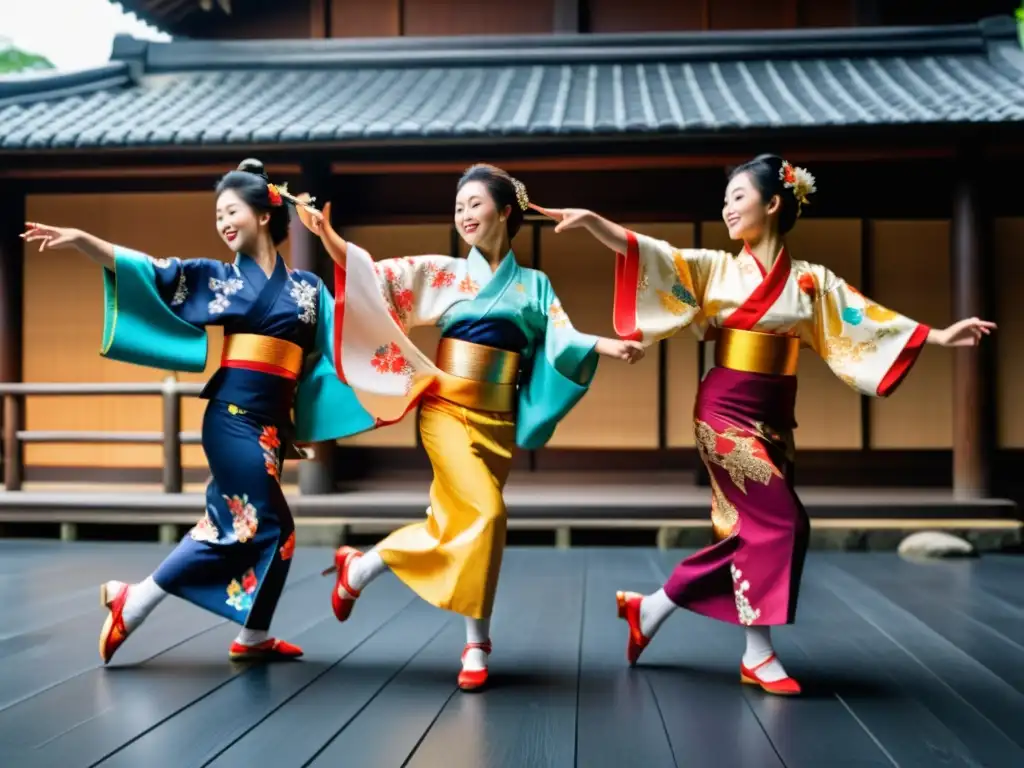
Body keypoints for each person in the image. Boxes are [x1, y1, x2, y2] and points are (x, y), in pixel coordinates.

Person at [535, 154, 995, 695]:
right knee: (785, 525)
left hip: (776, 413)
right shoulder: (717, 268)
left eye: (737, 197)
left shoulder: (810, 281)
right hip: (725, 408)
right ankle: (758, 654)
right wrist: (593, 222)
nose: (726, 208)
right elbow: (652, 254)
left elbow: (865, 318)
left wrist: (938, 336)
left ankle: (653, 607)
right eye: (725, 199)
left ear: (773, 202)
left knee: (757, 530)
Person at [296, 163, 644, 691]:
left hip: (497, 418)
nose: (464, 215)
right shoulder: (445, 272)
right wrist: (330, 238)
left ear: (506, 211)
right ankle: (476, 644)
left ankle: (366, 572)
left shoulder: (534, 284)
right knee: (488, 512)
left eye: (475, 204)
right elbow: (376, 279)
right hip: (447, 409)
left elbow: (561, 337)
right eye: (458, 207)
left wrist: (607, 345)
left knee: (461, 527)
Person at [22, 159, 371, 664]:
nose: (223, 223)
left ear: (265, 215)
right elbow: (150, 270)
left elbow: (326, 358)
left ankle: (251, 637)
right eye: (217, 216)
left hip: (270, 424)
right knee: (261, 520)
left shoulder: (309, 289)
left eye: (232, 211)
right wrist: (81, 239)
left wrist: (299, 424)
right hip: (231, 417)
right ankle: (136, 600)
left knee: (270, 528)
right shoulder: (216, 279)